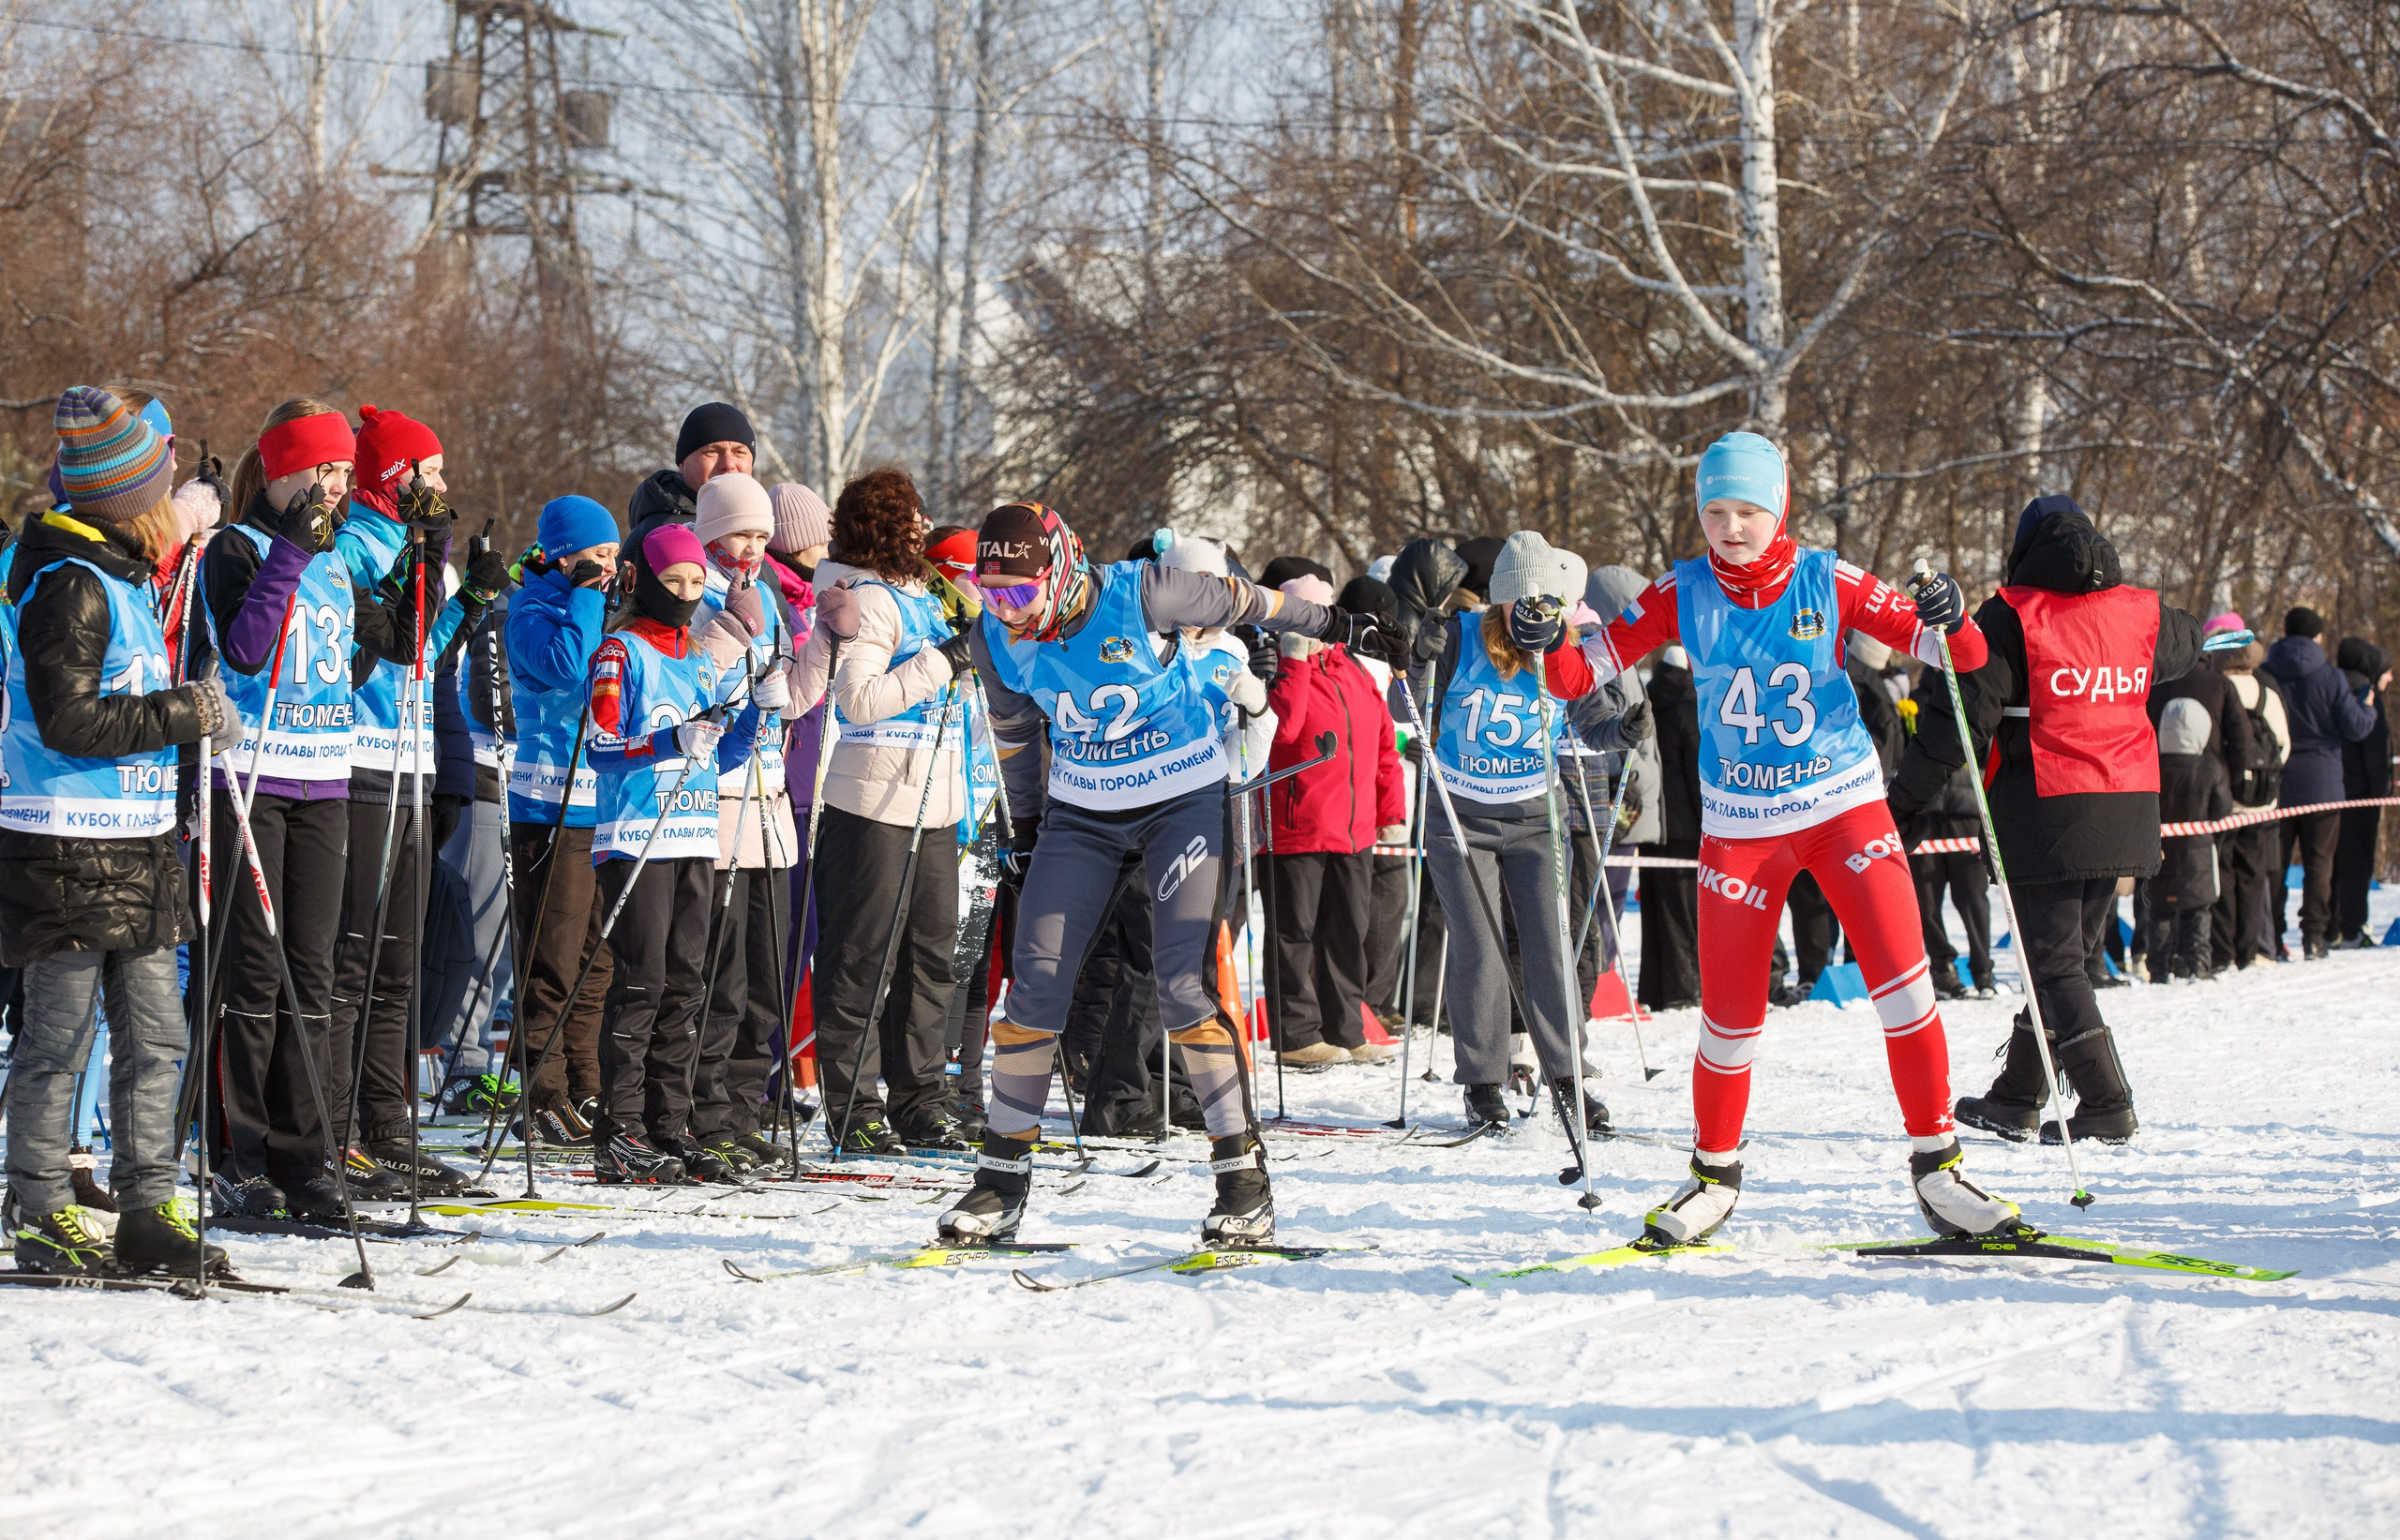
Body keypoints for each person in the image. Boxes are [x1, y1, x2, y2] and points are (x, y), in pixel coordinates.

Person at [1582, 432, 2013, 1245]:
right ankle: (1713, 1175)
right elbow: (1577, 673)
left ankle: (1940, 1168)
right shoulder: (1681, 590)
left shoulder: (1826, 577)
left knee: (1906, 986)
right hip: (1741, 831)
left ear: (1778, 507)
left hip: (1843, 807)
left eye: (1748, 510)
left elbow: (1962, 654)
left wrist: (1953, 617)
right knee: (1728, 1021)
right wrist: (1533, 637)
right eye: (1715, 511)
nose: (1731, 528)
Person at [941, 501, 1374, 1248]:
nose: (1006, 609)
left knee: (1181, 987)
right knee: (1036, 985)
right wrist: (1030, 823)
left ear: (1061, 570)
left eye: (1019, 592)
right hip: (1082, 812)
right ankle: (1000, 1183)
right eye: (992, 592)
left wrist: (1338, 625)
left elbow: (1249, 601)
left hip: (1181, 800)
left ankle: (1243, 1181)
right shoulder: (994, 636)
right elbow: (1013, 732)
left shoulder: (1141, 592)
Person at [2, 387, 235, 1276]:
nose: (173, 499)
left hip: (136, 839)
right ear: (128, 501)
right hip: (64, 838)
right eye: (161, 487)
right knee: (58, 1040)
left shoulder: (124, 578)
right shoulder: (70, 584)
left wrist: (193, 725)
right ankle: (40, 1209)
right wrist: (184, 711)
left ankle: (148, 1208)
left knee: (156, 1036)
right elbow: (69, 721)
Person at [1892, 493, 2202, 1147]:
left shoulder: (2010, 614)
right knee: (2063, 961)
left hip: (2047, 809)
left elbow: (1957, 720)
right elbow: (2190, 639)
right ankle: (2017, 1097)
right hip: (2126, 804)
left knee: (2056, 965)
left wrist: (1905, 802)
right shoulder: (2142, 610)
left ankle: (2107, 1101)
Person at [200, 399, 421, 1219]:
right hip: (252, 778)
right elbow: (245, 646)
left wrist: (425, 557)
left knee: (312, 970)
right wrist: (289, 554)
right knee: (255, 972)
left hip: (324, 778)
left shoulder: (333, 558)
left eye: (341, 472)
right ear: (283, 470)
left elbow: (382, 649)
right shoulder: (238, 546)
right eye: (322, 470)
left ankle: (306, 1152)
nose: (334, 485)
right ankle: (242, 1153)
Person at [326, 405, 510, 1197]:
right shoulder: (354, 545)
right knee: (357, 957)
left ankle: (386, 1121)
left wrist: (467, 602)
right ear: (394, 476)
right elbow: (373, 648)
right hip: (362, 761)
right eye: (427, 471)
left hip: (414, 764)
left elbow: (426, 655)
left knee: (399, 961)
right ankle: (338, 1128)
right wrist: (420, 562)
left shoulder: (416, 545)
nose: (440, 484)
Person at [1412, 531, 1642, 1137]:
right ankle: (1484, 1082)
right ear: (1502, 598)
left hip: (1537, 817)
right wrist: (1418, 661)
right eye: (1525, 601)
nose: (1537, 614)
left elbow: (1591, 722)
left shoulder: (1562, 649)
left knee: (1550, 944)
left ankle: (1566, 1076)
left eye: (1549, 603)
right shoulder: (1460, 637)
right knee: (1480, 945)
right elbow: (1405, 709)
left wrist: (1622, 730)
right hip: (1461, 815)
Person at [790, 469, 972, 1153]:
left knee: (932, 959)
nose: (923, 527)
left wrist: (967, 660)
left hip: (936, 800)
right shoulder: (866, 599)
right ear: (883, 528)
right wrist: (942, 662)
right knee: (863, 959)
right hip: (872, 803)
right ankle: (854, 1105)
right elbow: (858, 701)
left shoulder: (927, 597)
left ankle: (920, 1099)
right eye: (911, 517)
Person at [582, 524, 759, 1183]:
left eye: (694, 582)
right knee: (643, 981)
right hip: (636, 838)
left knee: (687, 984)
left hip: (693, 836)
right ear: (641, 580)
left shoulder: (700, 659)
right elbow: (600, 748)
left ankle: (668, 1122)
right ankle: (621, 1129)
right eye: (673, 581)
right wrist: (668, 741)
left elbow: (720, 756)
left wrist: (757, 715)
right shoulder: (619, 652)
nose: (685, 593)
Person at [686, 473, 800, 1174]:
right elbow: (690, 680)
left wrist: (819, 651)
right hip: (719, 801)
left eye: (761, 535)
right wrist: (729, 637)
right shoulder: (695, 593)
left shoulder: (769, 598)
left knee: (766, 973)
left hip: (769, 800)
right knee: (722, 977)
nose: (752, 547)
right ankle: (707, 1110)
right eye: (740, 534)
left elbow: (792, 696)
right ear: (710, 534)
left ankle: (745, 1107)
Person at [504, 496, 621, 1143]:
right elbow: (568, 666)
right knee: (551, 958)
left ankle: (585, 1084)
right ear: (562, 554)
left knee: (595, 959)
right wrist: (582, 595)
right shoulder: (532, 609)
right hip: (548, 806)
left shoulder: (597, 607)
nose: (606, 567)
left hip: (601, 806)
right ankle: (542, 1094)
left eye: (613, 555)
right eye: (595, 555)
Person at [1263, 572, 1405, 1066]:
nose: (1318, 629)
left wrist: (1390, 808)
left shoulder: (1354, 668)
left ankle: (1345, 1028)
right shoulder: (1278, 667)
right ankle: (1296, 1035)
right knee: (1294, 934)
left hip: (1354, 829)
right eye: (1307, 618)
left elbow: (1384, 745)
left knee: (1348, 932)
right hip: (1297, 824)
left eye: (1323, 617)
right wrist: (1294, 659)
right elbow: (1284, 729)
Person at [2259, 607, 2376, 959]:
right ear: (2318, 636)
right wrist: (2368, 707)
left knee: (2276, 863)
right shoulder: (2330, 675)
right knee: (2319, 862)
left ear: (2285, 631)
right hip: (2322, 783)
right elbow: (2356, 727)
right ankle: (2313, 936)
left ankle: (2273, 937)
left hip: (2277, 780)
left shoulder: (2266, 672)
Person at [2210, 621, 2287, 970]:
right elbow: (2283, 744)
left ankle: (2223, 950)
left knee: (2224, 873)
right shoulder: (2267, 692)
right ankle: (2250, 949)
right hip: (2260, 802)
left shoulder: (2217, 688)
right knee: (2254, 876)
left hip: (2225, 800)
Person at [1637, 642, 1703, 1011]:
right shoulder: (1689, 704)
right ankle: (1684, 988)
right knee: (1685, 913)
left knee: (1656, 910)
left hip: (1653, 824)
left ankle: (1654, 990)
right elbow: (1697, 773)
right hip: (1686, 827)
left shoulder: (1648, 699)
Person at [2148, 697, 2230, 979]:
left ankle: (2159, 968)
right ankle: (2197, 964)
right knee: (2198, 912)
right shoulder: (2209, 766)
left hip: (2159, 854)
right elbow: (2222, 811)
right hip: (2198, 857)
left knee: (2160, 912)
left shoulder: (2152, 764)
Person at [626, 402, 756, 556]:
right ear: (682, 463)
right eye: (712, 451)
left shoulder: (759, 528)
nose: (728, 464)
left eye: (739, 452)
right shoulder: (662, 537)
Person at [2332, 637, 2390, 949]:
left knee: (2331, 861)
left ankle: (2332, 928)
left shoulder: (2332, 688)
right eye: (2386, 671)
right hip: (2361, 794)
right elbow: (2375, 753)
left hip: (2331, 789)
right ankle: (2352, 928)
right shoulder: (2366, 696)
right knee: (2357, 861)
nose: (2390, 678)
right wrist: (2381, 794)